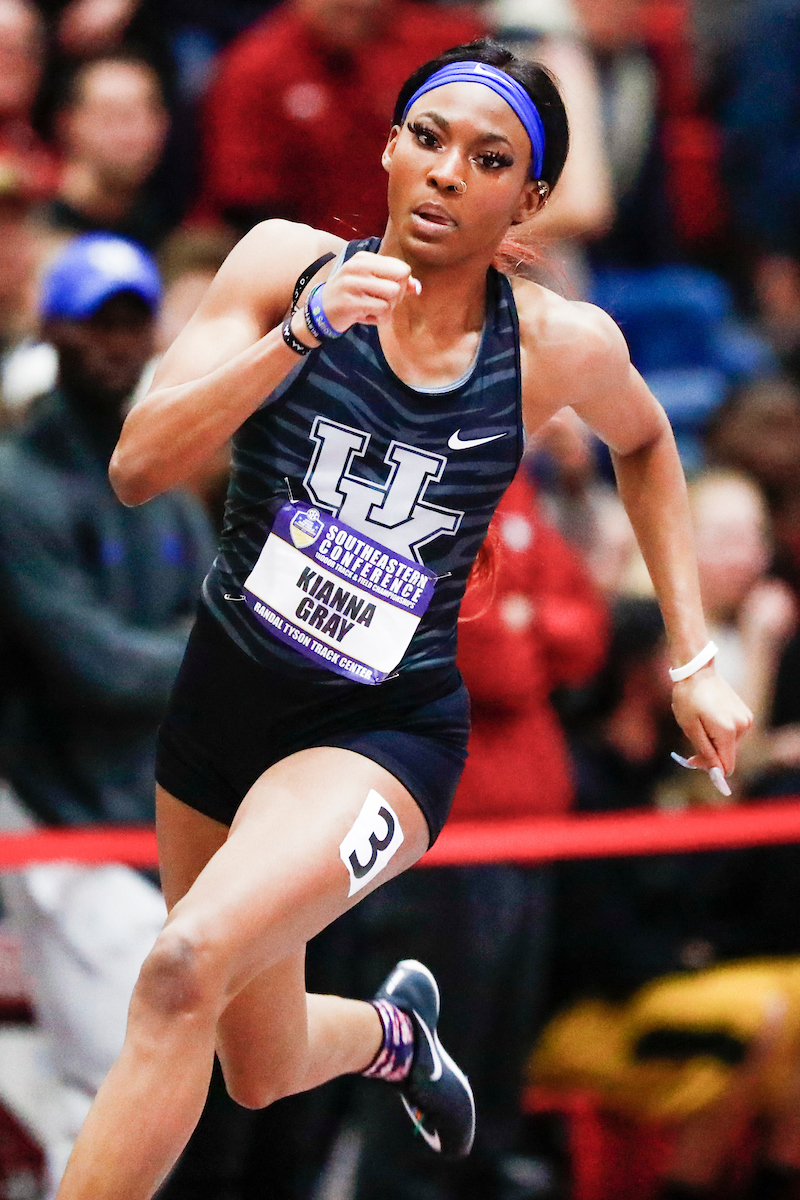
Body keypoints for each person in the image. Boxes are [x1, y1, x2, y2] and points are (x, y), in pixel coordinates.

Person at [56, 37, 750, 1200]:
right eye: (426, 139)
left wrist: (692, 656)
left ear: (526, 199)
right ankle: (394, 1035)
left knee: (180, 967)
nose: (444, 172)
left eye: (487, 159)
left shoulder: (553, 344)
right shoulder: (282, 266)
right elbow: (137, 466)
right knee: (256, 1065)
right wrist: (298, 336)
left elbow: (644, 442)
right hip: (221, 704)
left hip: (376, 733)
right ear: (387, 147)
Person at [0, 232, 215, 1194]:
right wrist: (196, 651)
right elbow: (94, 672)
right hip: (55, 818)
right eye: (97, 324)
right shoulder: (15, 487)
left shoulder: (160, 483)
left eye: (132, 323)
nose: (116, 345)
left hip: (146, 816)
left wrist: (183, 651)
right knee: (117, 1086)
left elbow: (206, 634)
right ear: (54, 330)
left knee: (124, 1088)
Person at [197, 0, 486, 236]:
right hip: (301, 261)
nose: (357, 4)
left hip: (433, 246)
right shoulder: (254, 68)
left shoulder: (447, 46)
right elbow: (247, 203)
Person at [44, 52, 173, 252]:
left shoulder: (172, 229)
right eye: (109, 115)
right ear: (68, 125)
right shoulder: (31, 225)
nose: (127, 134)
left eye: (139, 115)